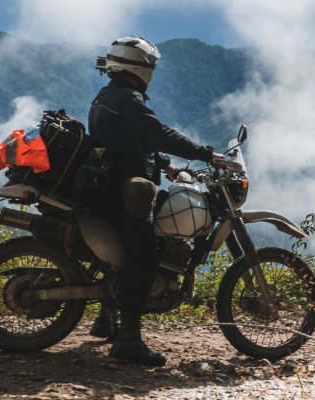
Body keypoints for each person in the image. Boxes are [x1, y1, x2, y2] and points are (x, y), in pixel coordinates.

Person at [86, 36, 224, 366]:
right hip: (118, 193)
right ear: (139, 67)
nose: (153, 71)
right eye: (151, 66)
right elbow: (157, 132)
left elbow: (130, 141)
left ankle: (107, 319)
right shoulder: (129, 100)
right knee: (145, 256)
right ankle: (129, 340)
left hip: (108, 186)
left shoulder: (110, 95)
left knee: (129, 252)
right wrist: (205, 154)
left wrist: (166, 167)